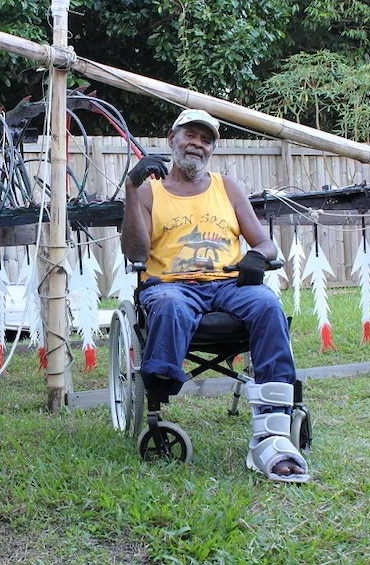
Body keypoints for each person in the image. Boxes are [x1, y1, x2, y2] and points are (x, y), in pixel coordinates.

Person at [121, 109, 309, 483]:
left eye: (206, 139)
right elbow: (136, 254)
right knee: (171, 306)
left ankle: (272, 432)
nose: (198, 144)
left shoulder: (228, 188)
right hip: (171, 285)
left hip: (227, 284)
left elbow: (266, 244)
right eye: (191, 135)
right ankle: (161, 380)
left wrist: (257, 256)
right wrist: (130, 190)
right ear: (172, 138)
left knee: (268, 304)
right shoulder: (148, 191)